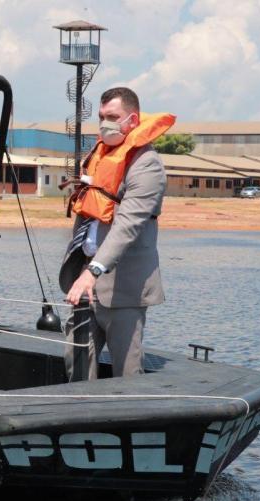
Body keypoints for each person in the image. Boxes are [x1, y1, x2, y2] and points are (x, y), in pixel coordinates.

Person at [60, 87, 174, 379]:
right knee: (76, 364)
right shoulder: (99, 156)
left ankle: (126, 424)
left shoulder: (146, 163)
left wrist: (94, 270)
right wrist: (83, 272)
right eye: (101, 117)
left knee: (126, 371)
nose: (104, 123)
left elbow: (128, 224)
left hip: (123, 286)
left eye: (113, 117)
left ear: (132, 120)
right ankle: (78, 420)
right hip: (84, 280)